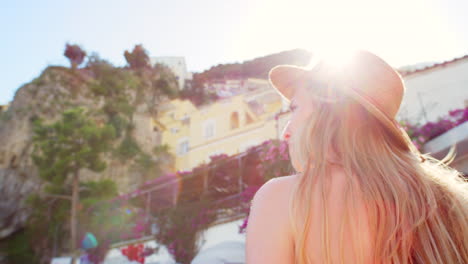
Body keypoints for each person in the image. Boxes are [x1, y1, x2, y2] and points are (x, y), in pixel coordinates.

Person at [245, 50, 468, 264]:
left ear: (327, 109)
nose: (286, 130)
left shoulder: (280, 199)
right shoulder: (448, 201)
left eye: (294, 108)